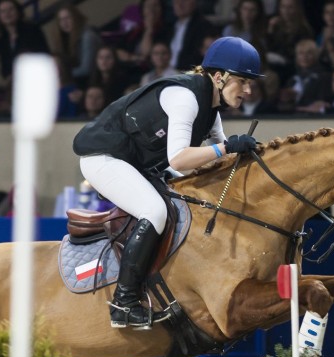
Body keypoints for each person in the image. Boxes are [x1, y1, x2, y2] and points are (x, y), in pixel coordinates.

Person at [72, 36, 261, 328]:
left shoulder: (211, 109)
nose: (248, 90)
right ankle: (124, 302)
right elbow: (179, 160)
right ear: (220, 77)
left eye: (251, 83)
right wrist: (227, 148)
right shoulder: (185, 98)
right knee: (155, 211)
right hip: (103, 158)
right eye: (243, 81)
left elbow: (222, 157)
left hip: (134, 164)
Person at [0, 0, 49, 82]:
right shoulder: (1, 40)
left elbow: (43, 55)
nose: (7, 14)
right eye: (3, 11)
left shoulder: (32, 30)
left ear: (18, 11)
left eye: (11, 9)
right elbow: (4, 68)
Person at [50, 2, 101, 90]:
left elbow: (86, 69)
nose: (64, 22)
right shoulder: (64, 38)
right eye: (61, 20)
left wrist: (63, 75)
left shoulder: (87, 36)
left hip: (92, 82)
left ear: (76, 17)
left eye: (67, 18)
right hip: (76, 81)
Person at [168, 0, 215, 71]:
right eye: (176, 2)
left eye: (184, 1)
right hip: (168, 73)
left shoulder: (203, 26)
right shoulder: (170, 26)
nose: (180, 5)